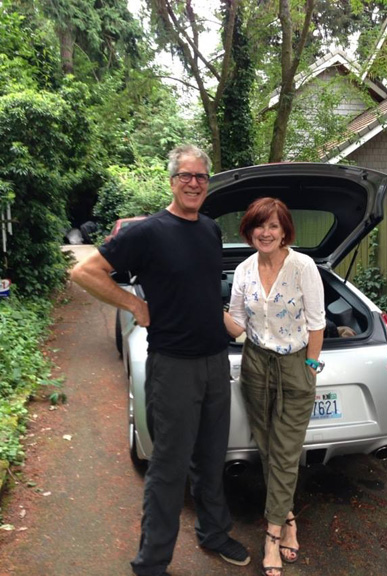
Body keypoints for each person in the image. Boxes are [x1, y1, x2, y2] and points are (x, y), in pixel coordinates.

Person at [71, 144, 250, 576]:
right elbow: (84, 272)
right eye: (185, 176)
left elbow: (208, 299)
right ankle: (151, 563)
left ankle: (213, 533)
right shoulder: (147, 232)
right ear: (171, 181)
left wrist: (247, 335)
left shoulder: (208, 230)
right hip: (173, 367)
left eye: (201, 177)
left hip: (214, 363)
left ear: (208, 183)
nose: (193, 183)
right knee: (168, 468)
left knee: (212, 458)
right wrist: (135, 307)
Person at [224, 197, 326, 576]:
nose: (265, 233)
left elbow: (317, 323)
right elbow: (236, 325)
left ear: (285, 230)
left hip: (294, 364)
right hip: (255, 364)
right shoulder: (244, 270)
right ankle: (289, 518)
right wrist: (201, 299)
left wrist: (311, 368)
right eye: (258, 226)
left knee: (285, 450)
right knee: (267, 447)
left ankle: (271, 535)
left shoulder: (303, 267)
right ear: (249, 231)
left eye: (273, 226)